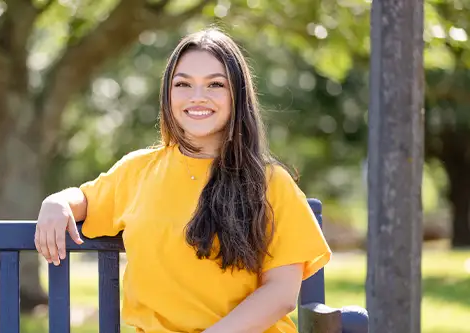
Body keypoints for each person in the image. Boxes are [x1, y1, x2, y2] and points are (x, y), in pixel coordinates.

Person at [35, 28, 331, 333]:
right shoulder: (138, 171)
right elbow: (84, 200)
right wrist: (56, 202)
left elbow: (280, 294)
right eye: (183, 84)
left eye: (215, 84)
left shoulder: (270, 183)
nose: (197, 97)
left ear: (237, 95)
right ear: (168, 93)